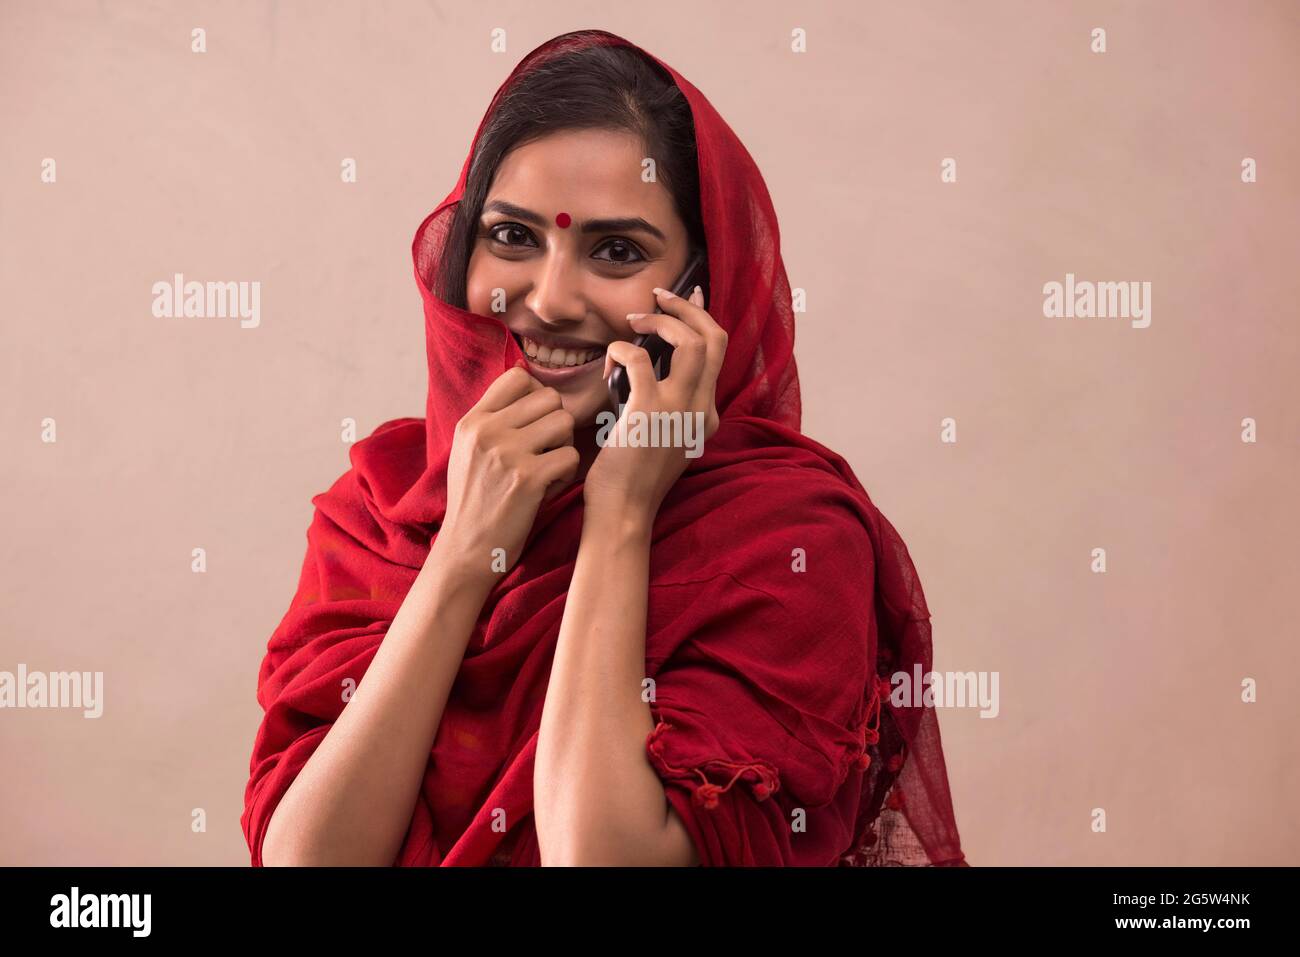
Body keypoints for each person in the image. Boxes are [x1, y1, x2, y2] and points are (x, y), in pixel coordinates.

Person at [241, 28, 967, 867]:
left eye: (616, 252)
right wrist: (462, 558)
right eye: (512, 237)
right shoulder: (381, 510)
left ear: (703, 284)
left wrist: (620, 513)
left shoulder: (789, 539)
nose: (549, 300)